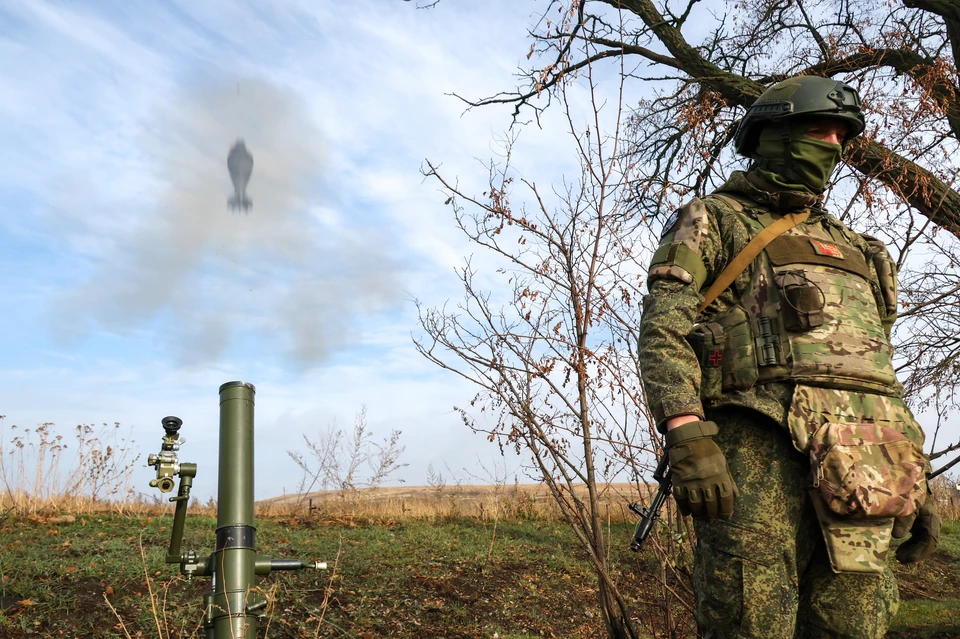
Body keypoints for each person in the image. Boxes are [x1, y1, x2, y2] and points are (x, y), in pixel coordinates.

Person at [636, 75, 942, 638]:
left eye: (839, 136)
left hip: (863, 466)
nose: (829, 144)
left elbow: (879, 373)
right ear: (771, 133)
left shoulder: (863, 250)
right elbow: (664, 327)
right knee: (751, 617)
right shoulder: (715, 219)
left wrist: (911, 475)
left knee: (853, 623)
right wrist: (684, 430)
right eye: (815, 129)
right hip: (757, 446)